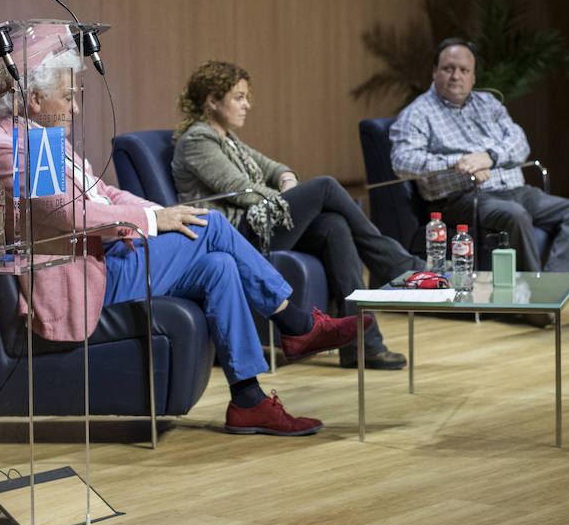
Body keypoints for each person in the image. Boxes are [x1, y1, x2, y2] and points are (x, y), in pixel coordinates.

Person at [0, 51, 369, 441]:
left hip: (107, 256)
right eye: (68, 97)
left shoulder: (42, 138)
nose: (75, 108)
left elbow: (105, 194)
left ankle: (248, 399)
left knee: (219, 266)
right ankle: (296, 324)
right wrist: (152, 222)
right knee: (213, 223)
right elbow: (68, 215)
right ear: (34, 100)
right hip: (80, 279)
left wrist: (164, 213)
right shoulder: (18, 148)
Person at [171, 61, 421, 370]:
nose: (247, 105)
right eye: (239, 97)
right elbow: (240, 191)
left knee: (335, 226)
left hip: (257, 222)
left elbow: (276, 168)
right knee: (325, 186)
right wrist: (293, 198)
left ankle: (363, 345)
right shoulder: (197, 140)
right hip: (236, 234)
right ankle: (398, 266)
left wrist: (288, 181)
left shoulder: (229, 140)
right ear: (212, 100)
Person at [389, 38, 569, 288]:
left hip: (516, 191)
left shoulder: (489, 103)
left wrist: (490, 157)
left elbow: (520, 142)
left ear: (473, 77)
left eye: (464, 70)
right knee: (515, 215)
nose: (456, 76)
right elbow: (403, 161)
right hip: (463, 198)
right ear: (435, 72)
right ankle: (533, 303)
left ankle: (554, 290)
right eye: (448, 69)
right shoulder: (417, 113)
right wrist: (460, 163)